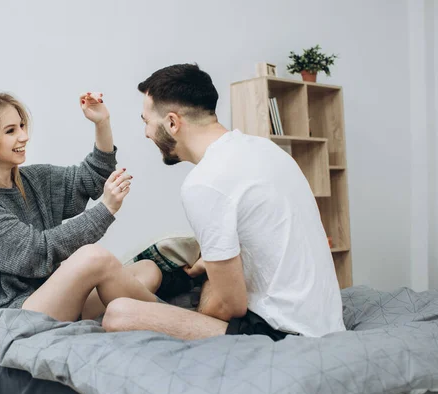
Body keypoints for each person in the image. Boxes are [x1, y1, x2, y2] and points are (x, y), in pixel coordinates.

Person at [102, 64, 346, 340]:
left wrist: (189, 315)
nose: (146, 133)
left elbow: (229, 306)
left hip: (285, 332)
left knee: (118, 313)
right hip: (324, 321)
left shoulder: (204, 182)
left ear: (172, 122)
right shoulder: (265, 149)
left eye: (146, 121)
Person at [0, 90, 161, 321]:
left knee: (148, 269)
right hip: (14, 311)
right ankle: (175, 319)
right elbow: (37, 253)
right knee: (94, 257)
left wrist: (102, 123)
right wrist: (105, 209)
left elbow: (90, 178)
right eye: (11, 131)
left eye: (22, 126)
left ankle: (139, 313)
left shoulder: (35, 179)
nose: (24, 136)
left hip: (53, 298)